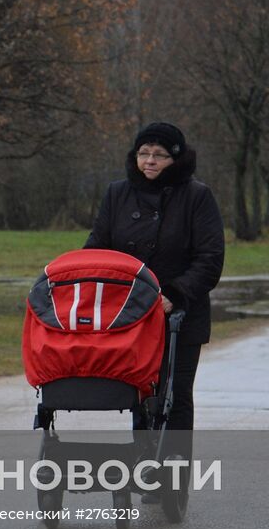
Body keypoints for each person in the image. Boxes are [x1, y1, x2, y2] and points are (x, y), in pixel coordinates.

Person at [85, 122, 226, 435]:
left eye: (159, 155)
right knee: (139, 394)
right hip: (130, 315)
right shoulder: (117, 193)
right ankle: (144, 470)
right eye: (144, 153)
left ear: (175, 159)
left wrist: (173, 294)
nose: (149, 160)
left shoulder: (197, 196)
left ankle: (172, 477)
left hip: (179, 316)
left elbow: (210, 258)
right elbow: (97, 249)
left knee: (173, 398)